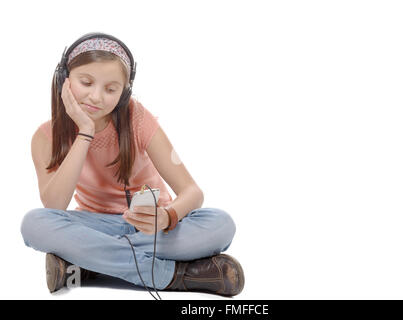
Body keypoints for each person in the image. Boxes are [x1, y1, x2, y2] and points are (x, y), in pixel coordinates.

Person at [20, 32, 244, 297]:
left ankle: (91, 264)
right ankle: (169, 275)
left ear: (124, 93)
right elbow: (55, 206)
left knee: (221, 224)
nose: (96, 97)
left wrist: (168, 216)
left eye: (111, 89)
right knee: (34, 223)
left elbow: (192, 192)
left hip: (153, 228)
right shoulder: (46, 137)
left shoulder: (137, 118)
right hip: (95, 224)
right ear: (64, 80)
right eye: (86, 82)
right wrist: (85, 131)